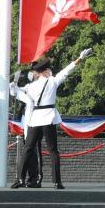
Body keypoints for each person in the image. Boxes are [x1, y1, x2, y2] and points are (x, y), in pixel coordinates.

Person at [21, 49, 91, 189]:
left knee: (28, 149)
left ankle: (20, 179)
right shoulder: (52, 81)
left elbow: (22, 93)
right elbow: (66, 71)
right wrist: (80, 58)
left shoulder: (31, 86)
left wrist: (14, 88)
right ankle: (56, 182)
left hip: (35, 120)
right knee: (53, 150)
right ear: (45, 71)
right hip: (49, 118)